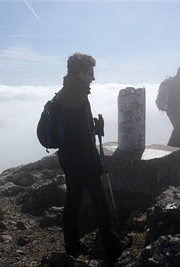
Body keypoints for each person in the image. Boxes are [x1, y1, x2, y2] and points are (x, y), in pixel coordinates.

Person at [54, 52, 119, 263]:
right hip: (81, 159)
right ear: (81, 73)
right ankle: (110, 246)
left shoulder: (66, 93)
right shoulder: (77, 97)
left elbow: (76, 130)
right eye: (90, 72)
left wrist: (94, 127)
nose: (93, 77)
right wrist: (96, 164)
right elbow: (81, 137)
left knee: (73, 199)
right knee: (100, 201)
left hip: (68, 158)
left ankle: (72, 244)